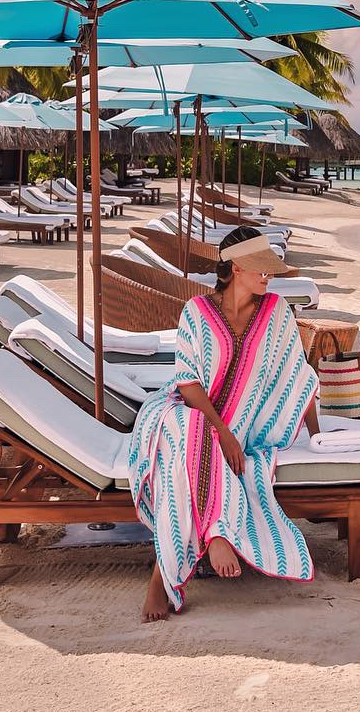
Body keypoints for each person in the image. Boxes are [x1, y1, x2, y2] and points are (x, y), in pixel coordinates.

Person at [128, 225, 321, 622]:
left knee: (187, 451)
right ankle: (214, 534)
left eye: (270, 270)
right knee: (192, 431)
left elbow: (296, 376)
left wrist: (317, 434)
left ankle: (163, 576)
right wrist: (223, 433)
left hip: (244, 422)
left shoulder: (277, 313)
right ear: (234, 267)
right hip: (184, 407)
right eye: (260, 269)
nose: (268, 276)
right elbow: (188, 382)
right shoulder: (196, 312)